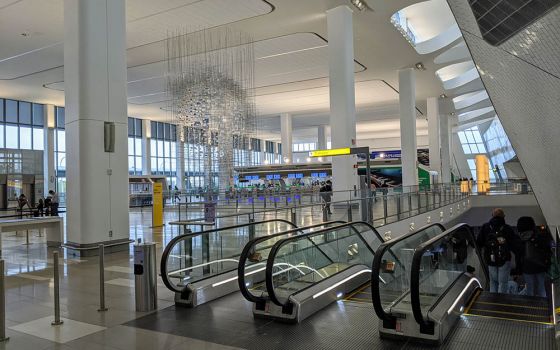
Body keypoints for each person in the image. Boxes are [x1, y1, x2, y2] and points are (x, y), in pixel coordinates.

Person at [476, 208, 521, 294]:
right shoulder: (507, 228)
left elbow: (479, 242)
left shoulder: (485, 227)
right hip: (504, 260)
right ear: (503, 217)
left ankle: (493, 301)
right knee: (503, 283)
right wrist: (518, 266)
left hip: (490, 259)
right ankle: (501, 301)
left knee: (493, 282)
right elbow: (515, 246)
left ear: (492, 216)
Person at [517, 216, 552, 297]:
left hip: (527, 267)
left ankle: (531, 305)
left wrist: (518, 270)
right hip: (540, 266)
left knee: (530, 288)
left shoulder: (519, 239)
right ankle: (542, 305)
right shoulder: (539, 236)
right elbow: (547, 249)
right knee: (541, 287)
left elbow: (518, 255)